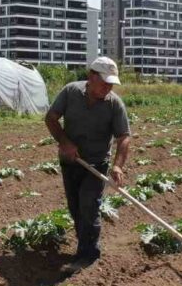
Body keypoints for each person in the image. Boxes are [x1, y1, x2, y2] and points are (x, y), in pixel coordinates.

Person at [44, 56, 131, 272]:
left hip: (96, 164)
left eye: (111, 83)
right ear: (91, 77)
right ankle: (84, 246)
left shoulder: (114, 104)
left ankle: (88, 255)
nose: (108, 87)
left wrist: (118, 165)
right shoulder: (70, 92)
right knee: (75, 208)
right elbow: (51, 117)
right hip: (70, 161)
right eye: (104, 82)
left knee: (88, 205)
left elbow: (124, 137)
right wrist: (65, 143)